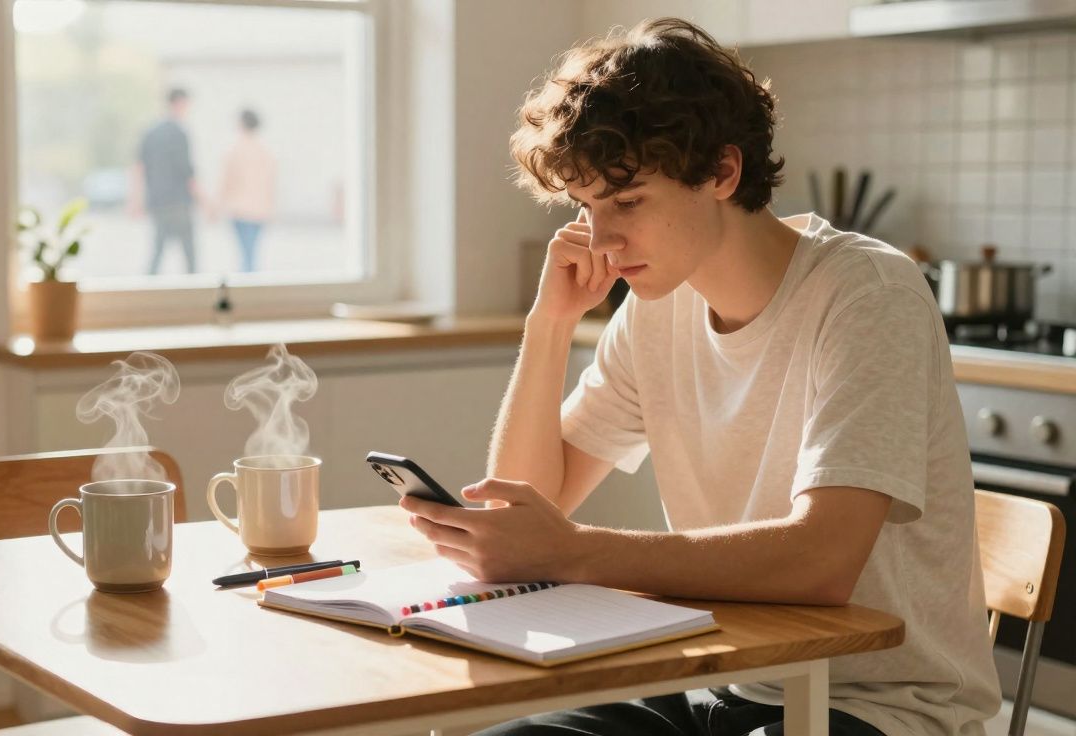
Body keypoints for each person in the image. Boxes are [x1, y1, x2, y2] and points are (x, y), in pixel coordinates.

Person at [398, 18, 1001, 736]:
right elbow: (523, 509)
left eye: (627, 202)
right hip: (716, 676)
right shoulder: (659, 307)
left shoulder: (868, 294)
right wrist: (549, 326)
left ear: (722, 171)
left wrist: (574, 551)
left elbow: (822, 561)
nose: (601, 241)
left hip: (876, 704)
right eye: (587, 208)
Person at [132, 88, 204, 275]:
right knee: (189, 253)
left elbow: (138, 168)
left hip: (157, 202)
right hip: (179, 202)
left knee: (157, 251)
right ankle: (194, 289)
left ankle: (149, 290)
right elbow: (188, 173)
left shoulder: (150, 132)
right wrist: (205, 201)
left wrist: (136, 200)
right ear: (179, 103)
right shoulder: (180, 133)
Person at [218, 108, 276, 273]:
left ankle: (248, 286)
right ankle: (250, 282)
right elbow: (271, 184)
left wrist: (217, 207)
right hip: (260, 211)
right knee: (251, 253)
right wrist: (270, 209)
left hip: (240, 211)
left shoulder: (235, 150)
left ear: (241, 123)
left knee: (246, 255)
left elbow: (226, 182)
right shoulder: (265, 151)